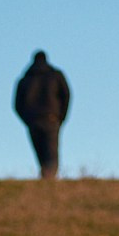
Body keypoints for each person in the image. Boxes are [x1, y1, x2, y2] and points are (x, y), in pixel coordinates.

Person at [13, 50, 70, 180]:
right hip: (51, 118)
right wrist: (61, 116)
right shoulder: (56, 75)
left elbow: (17, 105)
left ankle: (46, 180)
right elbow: (66, 95)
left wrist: (27, 119)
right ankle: (48, 181)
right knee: (51, 153)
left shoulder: (25, 79)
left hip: (33, 120)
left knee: (41, 153)